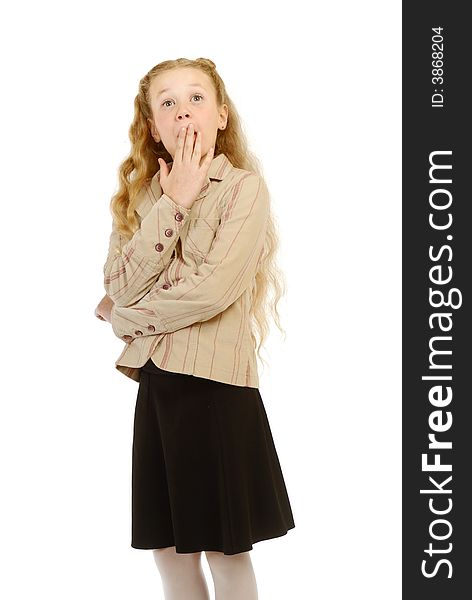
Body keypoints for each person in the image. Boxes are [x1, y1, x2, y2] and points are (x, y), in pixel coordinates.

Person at [94, 57, 295, 600]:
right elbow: (117, 279)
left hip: (217, 391)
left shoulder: (244, 191)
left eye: (196, 98)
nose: (183, 112)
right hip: (160, 387)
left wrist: (124, 319)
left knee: (222, 548)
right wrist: (175, 200)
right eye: (167, 103)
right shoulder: (140, 199)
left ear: (222, 115)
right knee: (167, 548)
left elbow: (209, 291)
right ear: (153, 127)